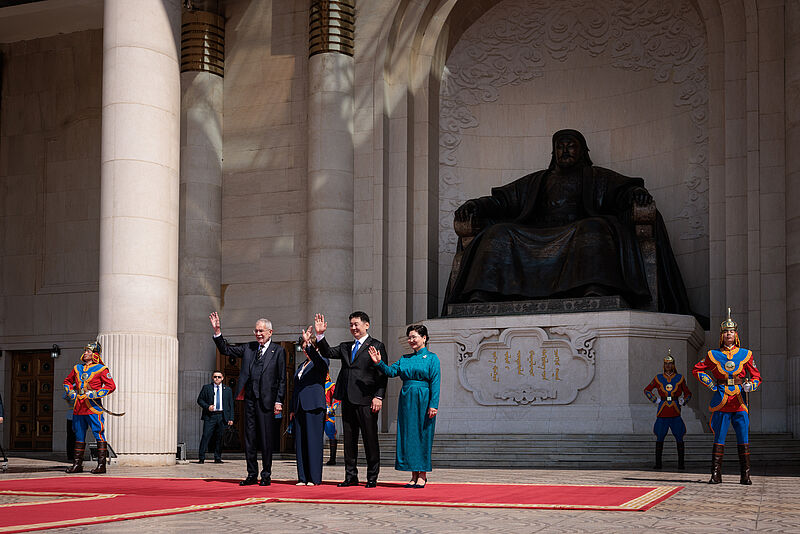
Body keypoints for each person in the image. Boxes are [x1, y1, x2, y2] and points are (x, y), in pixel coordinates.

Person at [443, 129, 696, 321]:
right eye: (560, 146)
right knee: (498, 232)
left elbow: (623, 192)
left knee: (594, 228)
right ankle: (482, 292)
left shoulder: (596, 176)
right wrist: (476, 205)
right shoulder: (538, 180)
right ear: (553, 152)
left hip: (577, 230)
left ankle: (595, 288)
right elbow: (502, 201)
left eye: (571, 146)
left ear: (583, 151)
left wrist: (636, 194)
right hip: (537, 232)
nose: (565, 151)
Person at [210, 312, 286, 486]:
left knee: (266, 439)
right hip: (250, 399)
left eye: (261, 331)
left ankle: (266, 475)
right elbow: (225, 350)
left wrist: (279, 401)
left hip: (267, 401)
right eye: (256, 331)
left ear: (270, 332)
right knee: (249, 438)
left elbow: (282, 379)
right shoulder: (249, 348)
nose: (258, 334)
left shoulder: (279, 351)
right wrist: (217, 331)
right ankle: (252, 474)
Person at [314, 312, 388, 488]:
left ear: (366, 325)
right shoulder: (346, 346)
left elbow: (382, 373)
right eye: (351, 325)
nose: (353, 328)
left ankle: (372, 477)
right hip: (347, 398)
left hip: (367, 400)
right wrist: (320, 335)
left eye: (356, 324)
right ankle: (351, 476)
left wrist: (378, 396)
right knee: (349, 440)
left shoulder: (376, 345)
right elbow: (327, 352)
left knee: (370, 439)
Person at [693, 308, 761, 484]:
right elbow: (697, 369)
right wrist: (711, 384)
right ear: (721, 336)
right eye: (725, 332)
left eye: (731, 331)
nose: (728, 334)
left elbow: (756, 376)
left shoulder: (746, 354)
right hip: (721, 400)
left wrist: (750, 385)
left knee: (743, 438)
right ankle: (715, 474)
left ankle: (745, 474)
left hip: (739, 400)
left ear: (736, 335)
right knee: (719, 438)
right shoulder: (713, 355)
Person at [368, 324, 440, 488]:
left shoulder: (432, 358)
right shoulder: (405, 358)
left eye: (414, 337)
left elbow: (435, 383)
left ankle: (422, 474)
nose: (411, 340)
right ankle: (413, 474)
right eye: (409, 337)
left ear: (424, 338)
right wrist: (379, 363)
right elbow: (390, 372)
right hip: (407, 399)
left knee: (423, 435)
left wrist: (433, 405)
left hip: (423, 398)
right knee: (409, 435)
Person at [63, 341, 117, 474]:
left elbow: (111, 386)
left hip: (93, 408)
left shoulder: (101, 369)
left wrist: (95, 394)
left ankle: (101, 465)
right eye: (85, 351)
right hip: (79, 407)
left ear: (95, 354)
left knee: (98, 433)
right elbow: (67, 381)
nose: (85, 353)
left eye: (88, 351)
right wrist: (71, 392)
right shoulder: (77, 368)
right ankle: (77, 464)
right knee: (78, 435)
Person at [291, 326, 330, 486]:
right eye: (303, 346)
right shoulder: (301, 365)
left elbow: (319, 361)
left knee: (313, 442)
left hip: (314, 407)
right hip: (300, 407)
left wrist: (309, 345)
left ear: (316, 348)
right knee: (300, 443)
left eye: (307, 346)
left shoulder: (322, 361)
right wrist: (292, 409)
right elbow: (296, 388)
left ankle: (314, 478)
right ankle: (303, 477)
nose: (305, 349)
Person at [643, 350, 692, 469]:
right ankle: (658, 463)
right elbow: (647, 390)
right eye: (666, 363)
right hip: (662, 411)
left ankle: (681, 464)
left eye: (670, 363)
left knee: (679, 437)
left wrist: (683, 400)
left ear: (674, 365)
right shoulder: (658, 378)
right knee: (660, 437)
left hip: (675, 411)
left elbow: (688, 393)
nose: (668, 365)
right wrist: (655, 400)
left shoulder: (680, 378)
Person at [196, 370, 234, 464]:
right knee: (206, 435)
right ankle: (201, 457)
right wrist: (207, 407)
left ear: (222, 378)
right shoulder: (206, 388)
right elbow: (200, 400)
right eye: (215, 377)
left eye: (219, 377)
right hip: (210, 416)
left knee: (220, 437)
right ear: (212, 378)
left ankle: (217, 457)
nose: (217, 378)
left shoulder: (227, 390)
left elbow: (231, 405)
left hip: (222, 416)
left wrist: (231, 418)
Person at [324, 372, 340, 465]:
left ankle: (332, 458)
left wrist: (332, 408)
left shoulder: (330, 385)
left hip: (328, 413)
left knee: (331, 434)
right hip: (317, 412)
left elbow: (338, 398)